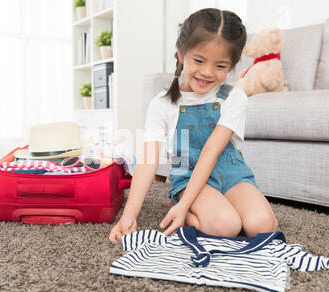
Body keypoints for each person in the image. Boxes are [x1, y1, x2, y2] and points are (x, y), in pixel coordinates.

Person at [109, 8, 278, 243]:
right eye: (199, 60)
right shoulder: (162, 104)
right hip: (188, 175)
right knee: (226, 226)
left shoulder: (234, 97)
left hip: (231, 171)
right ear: (181, 53)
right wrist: (129, 216)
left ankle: (199, 205)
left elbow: (211, 151)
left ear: (232, 65)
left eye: (220, 66)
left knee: (262, 227)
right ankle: (182, 206)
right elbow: (148, 161)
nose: (207, 72)